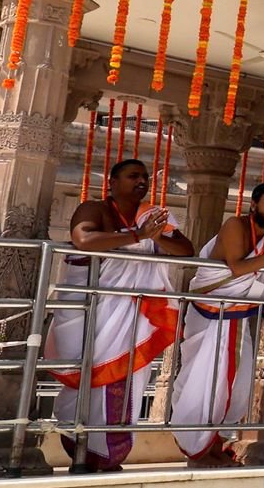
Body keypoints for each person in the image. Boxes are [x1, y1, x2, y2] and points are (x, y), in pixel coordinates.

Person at [47, 158, 195, 472]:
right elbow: (83, 239)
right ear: (112, 182)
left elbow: (186, 250)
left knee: (128, 381)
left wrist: (155, 236)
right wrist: (137, 236)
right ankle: (81, 451)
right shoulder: (94, 209)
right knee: (86, 375)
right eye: (132, 176)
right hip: (92, 311)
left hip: (132, 317)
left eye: (144, 177)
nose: (141, 181)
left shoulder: (152, 216)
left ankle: (109, 456)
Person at [168, 181, 264, 466]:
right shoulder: (235, 226)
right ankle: (197, 450)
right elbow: (238, 267)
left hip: (239, 314)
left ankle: (216, 445)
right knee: (207, 380)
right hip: (212, 310)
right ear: (254, 205)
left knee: (236, 383)